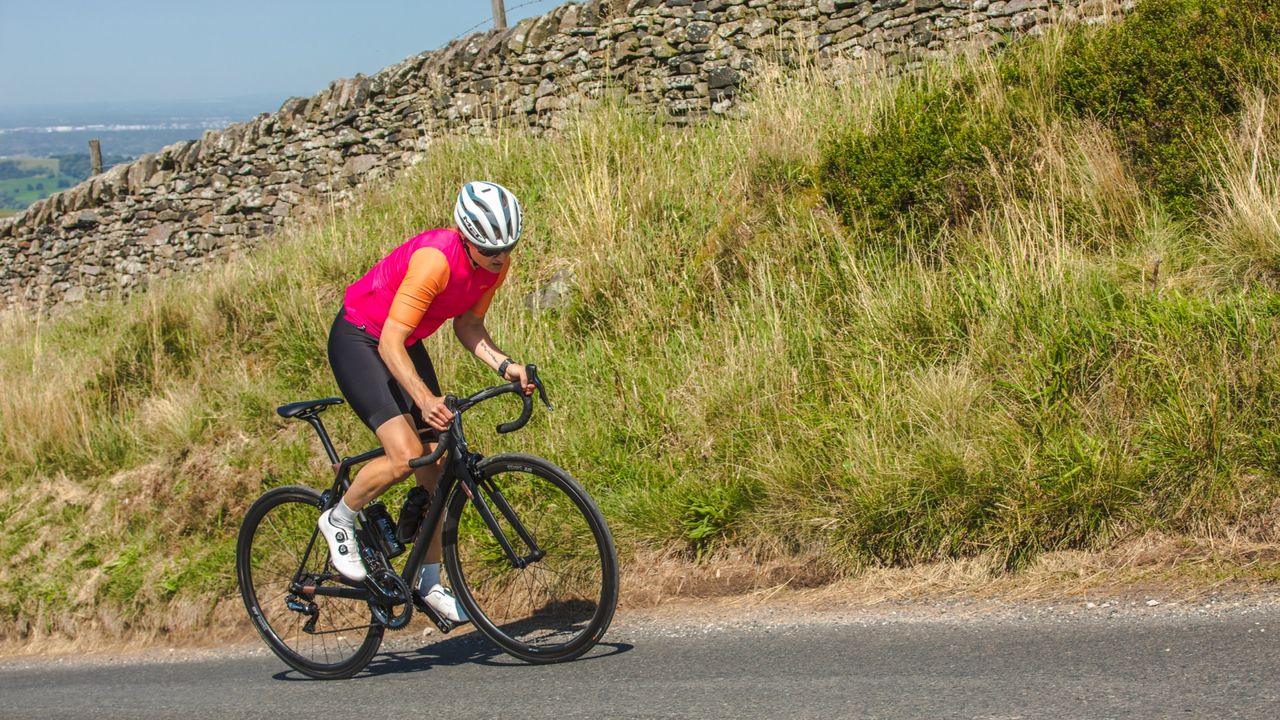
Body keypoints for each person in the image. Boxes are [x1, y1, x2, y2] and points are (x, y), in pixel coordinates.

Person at [319, 180, 535, 623]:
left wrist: (506, 366)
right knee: (407, 456)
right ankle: (339, 519)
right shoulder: (434, 261)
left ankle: (429, 582)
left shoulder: (495, 264)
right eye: (490, 249)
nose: (500, 258)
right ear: (466, 236)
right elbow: (390, 344)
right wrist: (423, 397)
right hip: (363, 338)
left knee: (437, 471)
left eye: (508, 247)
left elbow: (469, 327)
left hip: (402, 339)